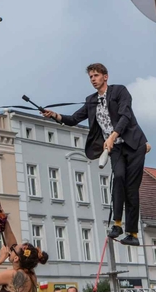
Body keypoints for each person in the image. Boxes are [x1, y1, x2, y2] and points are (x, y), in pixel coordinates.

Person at [44, 63, 147, 245]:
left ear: (105, 77)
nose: (93, 79)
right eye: (91, 77)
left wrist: (113, 136)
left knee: (131, 189)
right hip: (115, 148)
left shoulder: (119, 91)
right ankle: (117, 224)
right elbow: (74, 119)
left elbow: (126, 116)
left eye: (96, 75)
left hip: (133, 144)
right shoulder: (91, 100)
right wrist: (55, 115)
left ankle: (133, 234)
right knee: (118, 178)